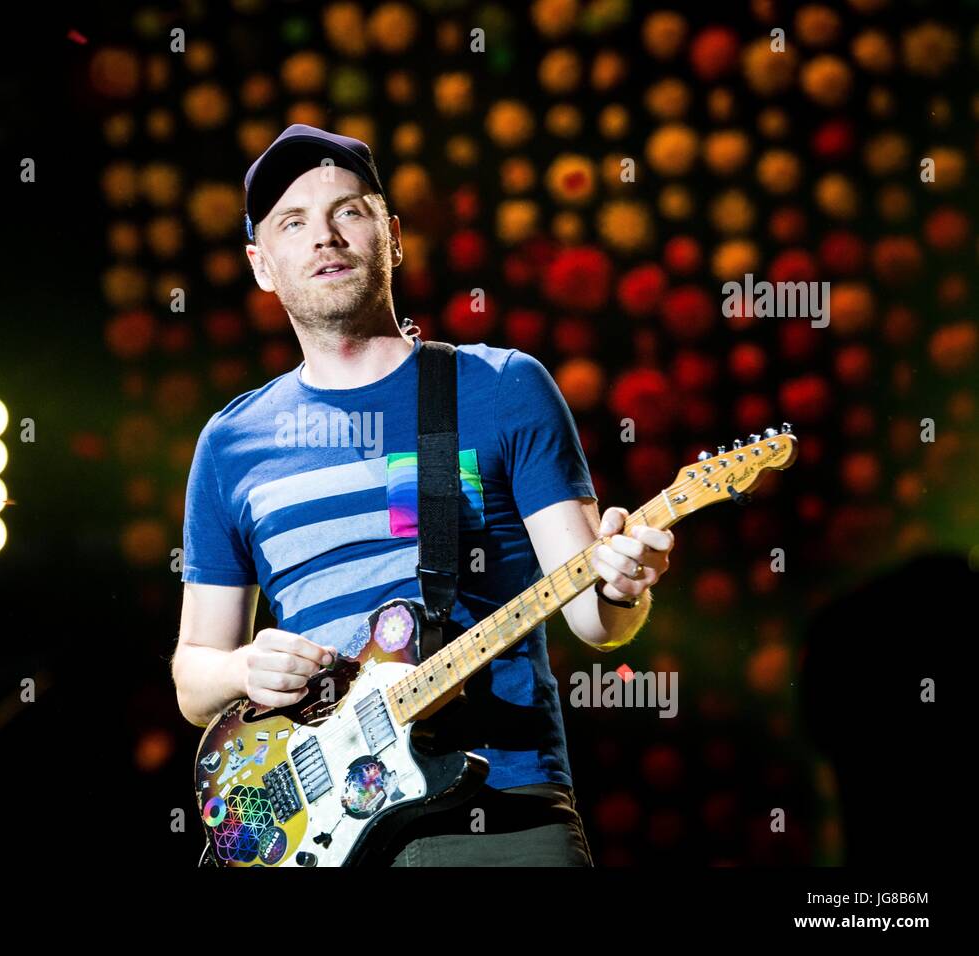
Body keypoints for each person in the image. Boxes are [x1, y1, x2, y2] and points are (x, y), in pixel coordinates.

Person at [170, 124, 676, 866]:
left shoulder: (501, 387)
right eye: (293, 222)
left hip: (498, 806)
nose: (325, 238)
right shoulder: (229, 445)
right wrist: (244, 670)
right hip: (324, 832)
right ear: (261, 266)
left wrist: (625, 580)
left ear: (393, 236)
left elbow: (594, 615)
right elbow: (193, 674)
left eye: (349, 211)